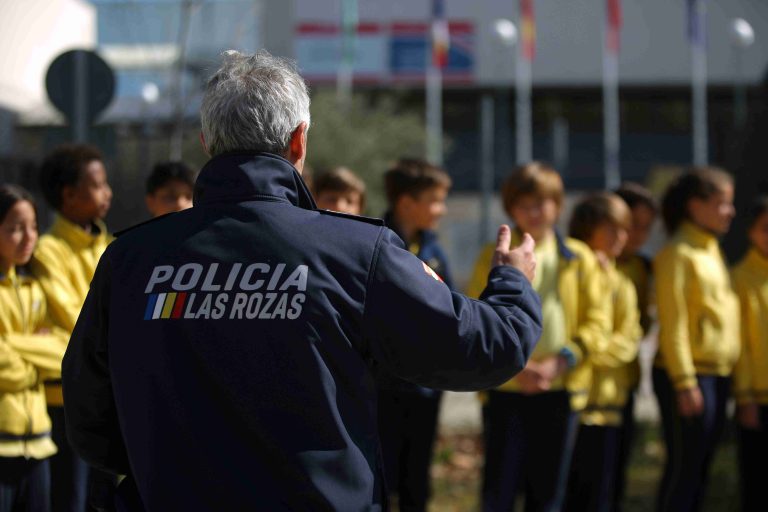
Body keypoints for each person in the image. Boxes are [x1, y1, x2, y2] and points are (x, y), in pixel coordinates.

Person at [61, 50, 542, 511]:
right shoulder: (352, 252)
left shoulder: (128, 260)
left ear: (207, 144)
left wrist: (172, 470)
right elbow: (485, 347)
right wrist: (513, 280)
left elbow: (88, 415)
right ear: (298, 141)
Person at [467, 162, 608, 512]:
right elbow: (475, 316)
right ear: (510, 208)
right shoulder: (492, 255)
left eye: (542, 202)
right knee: (499, 489)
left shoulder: (579, 257)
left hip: (560, 389)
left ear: (558, 205)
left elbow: (598, 321)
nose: (533, 212)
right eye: (524, 204)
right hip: (506, 390)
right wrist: (519, 368)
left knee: (548, 492)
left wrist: (562, 361)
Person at [31, 144, 113, 512]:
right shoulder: (47, 250)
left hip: (107, 398)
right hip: (64, 405)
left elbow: (85, 331)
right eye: (98, 184)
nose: (107, 192)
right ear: (69, 195)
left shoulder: (110, 245)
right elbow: (76, 318)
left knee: (105, 498)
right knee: (72, 500)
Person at [653, 167, 740, 512]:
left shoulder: (711, 250)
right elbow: (673, 324)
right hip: (690, 378)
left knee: (701, 470)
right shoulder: (677, 254)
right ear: (695, 206)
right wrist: (684, 381)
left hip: (717, 375)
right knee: (683, 471)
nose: (730, 212)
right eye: (722, 204)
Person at [377, 158, 453, 512]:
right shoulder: (375, 243)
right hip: (383, 386)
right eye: (435, 200)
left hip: (424, 387)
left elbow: (447, 304)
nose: (442, 209)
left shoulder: (434, 249)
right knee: (381, 476)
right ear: (407, 203)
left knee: (417, 479)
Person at [564, 192, 641, 512]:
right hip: (571, 399)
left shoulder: (622, 282)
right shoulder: (569, 271)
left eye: (625, 230)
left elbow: (629, 340)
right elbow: (566, 329)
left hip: (610, 402)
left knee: (605, 494)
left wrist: (589, 349)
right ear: (586, 228)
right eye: (612, 230)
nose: (621, 238)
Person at [0, 185, 68, 512]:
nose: (28, 237)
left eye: (33, 226)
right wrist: (36, 361)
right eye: (15, 228)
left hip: (40, 443)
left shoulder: (33, 287)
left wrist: (12, 344)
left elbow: (63, 349)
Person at [613, 182, 658, 511]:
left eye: (646, 228)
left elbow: (643, 322)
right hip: (587, 387)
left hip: (625, 380)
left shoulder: (643, 267)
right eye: (633, 227)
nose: (639, 236)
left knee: (616, 473)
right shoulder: (589, 261)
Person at [731, 196, 768, 512]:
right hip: (758, 399)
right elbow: (739, 345)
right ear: (752, 233)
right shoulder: (740, 278)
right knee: (757, 484)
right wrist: (745, 398)